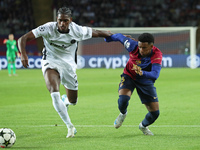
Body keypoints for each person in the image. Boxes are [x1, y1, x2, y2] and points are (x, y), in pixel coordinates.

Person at [17, 7, 112, 138]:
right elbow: (22, 38)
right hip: (50, 62)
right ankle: (70, 127)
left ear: (70, 21)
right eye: (60, 20)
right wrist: (23, 54)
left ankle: (66, 102)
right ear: (57, 19)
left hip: (68, 66)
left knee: (73, 101)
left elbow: (99, 33)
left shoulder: (77, 30)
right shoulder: (48, 28)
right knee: (54, 94)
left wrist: (122, 39)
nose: (62, 23)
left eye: (65, 21)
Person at [105, 33, 162, 135]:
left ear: (151, 46)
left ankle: (143, 126)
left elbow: (155, 74)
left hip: (145, 80)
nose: (141, 50)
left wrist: (142, 72)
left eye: (144, 48)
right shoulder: (132, 45)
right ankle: (123, 114)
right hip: (129, 76)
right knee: (123, 100)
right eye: (140, 47)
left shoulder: (156, 54)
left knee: (155, 113)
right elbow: (119, 37)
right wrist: (107, 39)